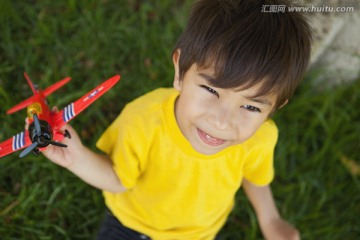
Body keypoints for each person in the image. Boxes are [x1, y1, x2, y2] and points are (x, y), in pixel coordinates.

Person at [42, 0, 311, 239]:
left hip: (200, 234)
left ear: (275, 108)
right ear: (180, 71)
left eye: (251, 107)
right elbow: (118, 178)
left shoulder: (261, 137)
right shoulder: (142, 121)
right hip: (132, 224)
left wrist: (270, 219)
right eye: (211, 90)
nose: (221, 121)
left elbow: (255, 175)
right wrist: (76, 158)